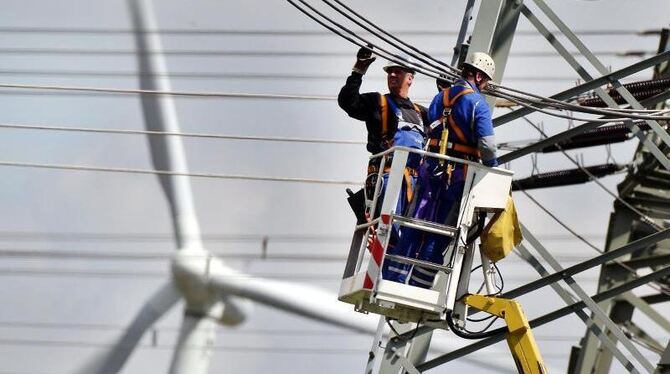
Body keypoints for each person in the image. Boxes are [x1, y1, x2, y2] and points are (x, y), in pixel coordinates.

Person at [396, 52, 499, 288]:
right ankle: (418, 286)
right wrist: (493, 171)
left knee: (415, 222)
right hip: (457, 178)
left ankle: (395, 277)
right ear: (480, 77)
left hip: (429, 171)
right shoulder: (478, 104)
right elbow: (488, 147)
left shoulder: (438, 99)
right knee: (441, 231)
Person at [338, 45, 428, 283]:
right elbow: (348, 102)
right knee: (390, 232)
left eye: (398, 72)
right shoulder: (377, 103)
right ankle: (388, 277)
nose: (392, 75)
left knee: (413, 232)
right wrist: (359, 70)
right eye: (390, 71)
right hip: (388, 178)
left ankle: (402, 276)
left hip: (414, 182)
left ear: (410, 77)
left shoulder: (421, 113)